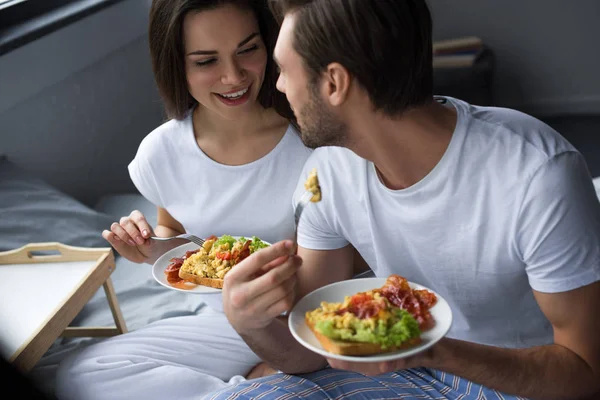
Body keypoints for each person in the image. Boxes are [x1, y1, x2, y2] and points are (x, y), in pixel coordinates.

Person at [207, 0, 600, 399]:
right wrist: (247, 320)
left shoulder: (536, 173)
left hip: (518, 382)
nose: (278, 86)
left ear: (334, 84)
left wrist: (431, 351)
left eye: (285, 70)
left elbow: (585, 373)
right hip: (408, 375)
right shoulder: (326, 173)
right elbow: (307, 351)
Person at [54, 0, 314, 399]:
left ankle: (273, 382)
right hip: (227, 319)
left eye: (248, 49)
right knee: (82, 373)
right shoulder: (162, 153)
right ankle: (257, 387)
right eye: (206, 61)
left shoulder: (311, 134)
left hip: (313, 309)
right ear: (176, 65)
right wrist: (150, 249)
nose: (233, 76)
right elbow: (178, 235)